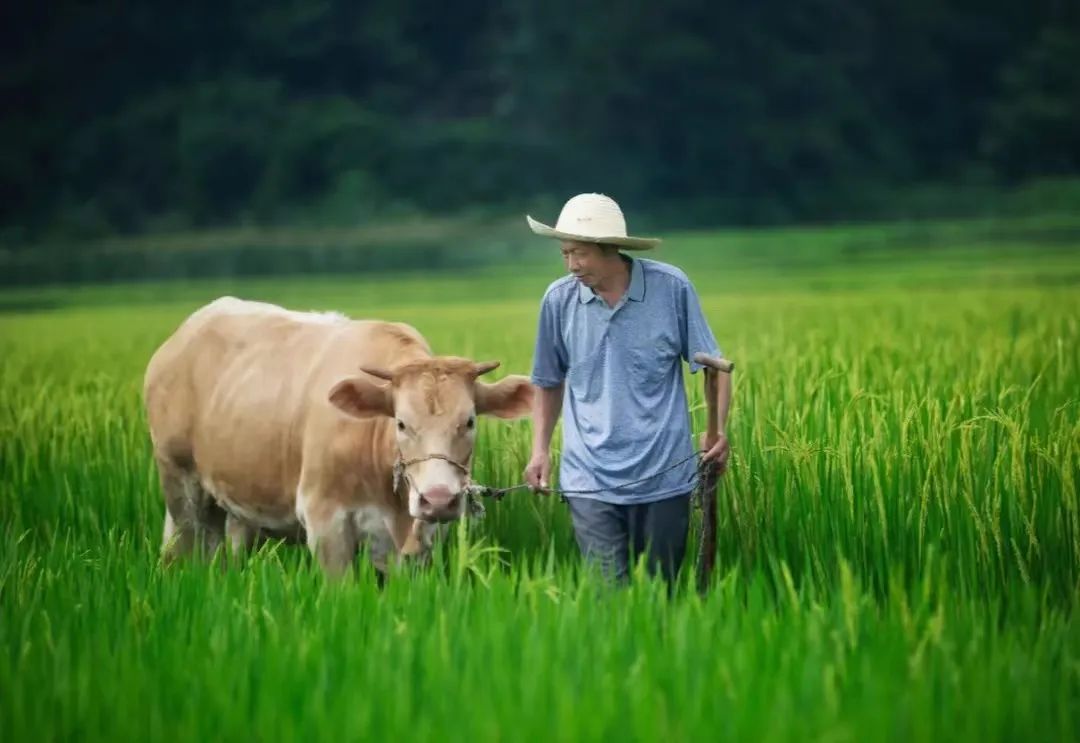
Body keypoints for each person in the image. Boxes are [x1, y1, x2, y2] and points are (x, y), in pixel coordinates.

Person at [523, 193, 731, 584]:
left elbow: (714, 368)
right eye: (565, 254)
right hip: (588, 477)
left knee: (659, 591)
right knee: (608, 596)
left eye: (579, 254)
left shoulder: (671, 287)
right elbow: (548, 381)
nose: (571, 265)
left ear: (609, 249)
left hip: (664, 473)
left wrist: (717, 433)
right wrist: (539, 451)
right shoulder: (558, 300)